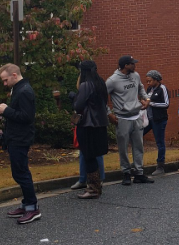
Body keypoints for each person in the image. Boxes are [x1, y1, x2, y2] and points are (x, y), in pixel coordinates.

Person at [0, 63, 41, 224]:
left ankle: (32, 208)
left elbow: (27, 117)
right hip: (16, 137)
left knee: (21, 172)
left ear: (14, 75)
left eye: (5, 80)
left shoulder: (24, 91)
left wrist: (6, 110)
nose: (4, 84)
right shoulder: (19, 89)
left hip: (20, 138)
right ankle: (27, 203)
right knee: (19, 172)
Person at [106, 55, 154, 185]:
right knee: (123, 148)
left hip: (136, 116)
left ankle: (139, 173)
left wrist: (146, 99)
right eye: (132, 63)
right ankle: (126, 173)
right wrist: (109, 114)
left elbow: (141, 88)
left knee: (139, 146)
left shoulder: (136, 76)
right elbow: (102, 98)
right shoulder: (112, 80)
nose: (135, 65)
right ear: (126, 65)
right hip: (122, 118)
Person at [71, 60, 109, 199]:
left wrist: (73, 98)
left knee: (88, 157)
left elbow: (78, 105)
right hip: (100, 124)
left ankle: (93, 189)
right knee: (93, 155)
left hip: (87, 124)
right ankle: (96, 186)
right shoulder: (100, 83)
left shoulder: (86, 85)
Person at [143, 70, 169, 176]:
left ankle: (160, 166)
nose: (148, 83)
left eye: (149, 81)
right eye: (147, 81)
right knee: (137, 134)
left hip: (159, 119)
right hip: (149, 119)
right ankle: (137, 163)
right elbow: (147, 99)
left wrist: (151, 104)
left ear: (156, 80)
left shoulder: (162, 88)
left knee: (159, 142)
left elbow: (166, 104)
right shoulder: (149, 89)